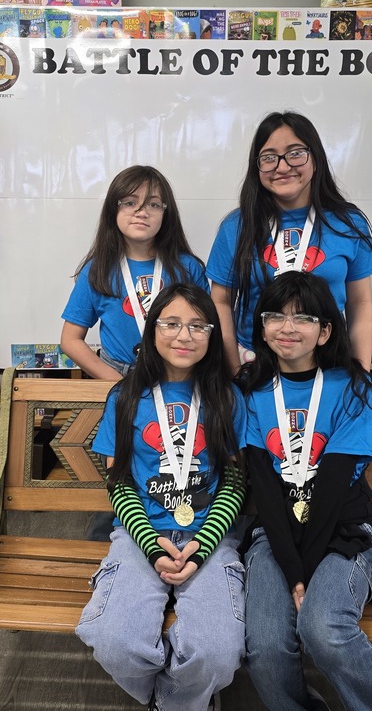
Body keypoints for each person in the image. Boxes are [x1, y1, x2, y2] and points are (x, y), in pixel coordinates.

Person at [238, 271, 372, 711]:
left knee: (323, 628)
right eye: (275, 317)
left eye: (303, 318)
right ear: (262, 327)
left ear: (325, 331)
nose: (287, 327)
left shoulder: (350, 387)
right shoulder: (251, 390)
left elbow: (332, 487)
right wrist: (293, 571)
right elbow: (265, 490)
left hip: (343, 531)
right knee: (265, 645)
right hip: (276, 535)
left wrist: (305, 571)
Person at [75, 283, 248, 711]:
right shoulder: (125, 396)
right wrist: (152, 546)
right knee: (114, 642)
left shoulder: (227, 397)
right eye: (171, 323)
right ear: (152, 330)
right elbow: (119, 482)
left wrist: (202, 545)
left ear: (212, 335)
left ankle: (170, 701)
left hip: (210, 536)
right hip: (141, 535)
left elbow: (234, 482)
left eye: (198, 326)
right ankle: (182, 699)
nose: (184, 335)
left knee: (217, 653)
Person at [206, 111, 372, 375]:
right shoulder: (237, 226)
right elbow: (221, 303)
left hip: (328, 364)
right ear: (257, 167)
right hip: (254, 365)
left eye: (295, 153)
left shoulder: (348, 223)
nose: (283, 167)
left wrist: (361, 374)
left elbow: (360, 304)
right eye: (269, 157)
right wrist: (234, 372)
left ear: (316, 158)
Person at [62, 165, 209, 380]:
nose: (142, 212)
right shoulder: (97, 270)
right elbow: (70, 340)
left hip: (177, 375)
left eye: (153, 204)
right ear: (113, 210)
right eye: (130, 203)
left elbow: (205, 330)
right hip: (117, 374)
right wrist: (115, 383)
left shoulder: (188, 267)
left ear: (166, 213)